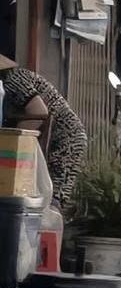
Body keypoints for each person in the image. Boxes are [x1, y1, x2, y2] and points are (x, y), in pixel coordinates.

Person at [0, 53, 88, 191]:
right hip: (62, 135)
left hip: (65, 137)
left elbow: (39, 112)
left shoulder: (13, 80)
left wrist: (11, 141)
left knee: (53, 194)